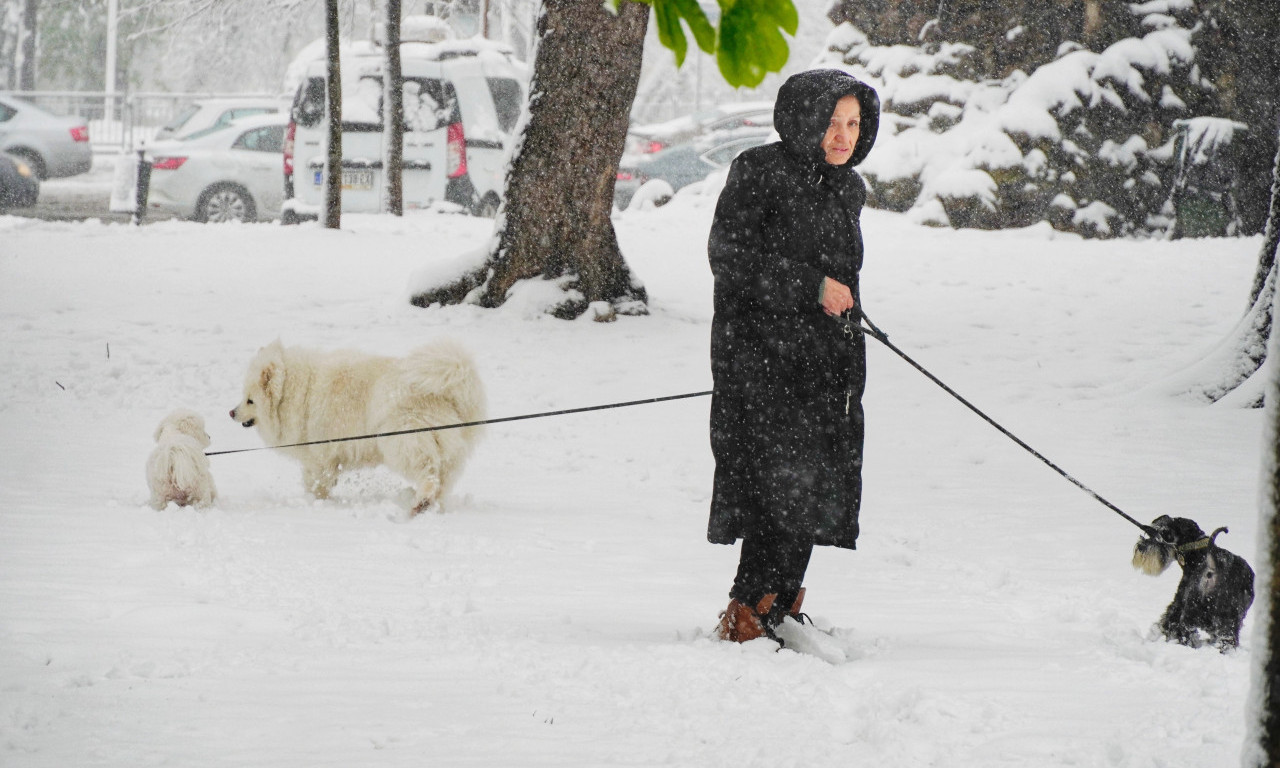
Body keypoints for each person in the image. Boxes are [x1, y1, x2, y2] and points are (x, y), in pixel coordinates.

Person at [707, 69, 880, 643]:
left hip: (824, 369)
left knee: (813, 487)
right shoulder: (760, 172)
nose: (843, 135)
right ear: (803, 119)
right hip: (762, 364)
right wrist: (809, 287)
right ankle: (747, 610)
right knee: (774, 489)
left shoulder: (848, 188)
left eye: (853, 123)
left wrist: (849, 319)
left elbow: (842, 279)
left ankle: (782, 602)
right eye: (832, 122)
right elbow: (729, 256)